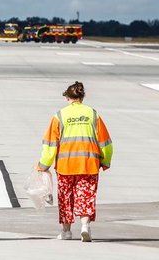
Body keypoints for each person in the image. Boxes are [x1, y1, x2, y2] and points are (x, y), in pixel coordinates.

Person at [36, 81, 112, 241]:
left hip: (66, 165)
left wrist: (43, 166)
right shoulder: (93, 114)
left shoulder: (59, 116)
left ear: (67, 98)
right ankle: (85, 226)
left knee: (65, 197)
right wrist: (105, 161)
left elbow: (50, 145)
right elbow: (105, 142)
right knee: (86, 195)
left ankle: (66, 232)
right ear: (82, 97)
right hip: (89, 164)